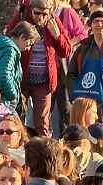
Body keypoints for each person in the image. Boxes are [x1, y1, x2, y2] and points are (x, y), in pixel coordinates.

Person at [9, 0, 69, 136]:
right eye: (37, 13)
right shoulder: (21, 17)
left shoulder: (53, 21)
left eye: (45, 14)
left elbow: (65, 51)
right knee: (16, 119)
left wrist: (57, 36)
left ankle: (42, 147)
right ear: (31, 9)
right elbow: (8, 39)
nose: (41, 17)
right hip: (21, 80)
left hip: (44, 81)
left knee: (42, 123)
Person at [0, 21, 38, 109]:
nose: (28, 48)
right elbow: (3, 75)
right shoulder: (10, 50)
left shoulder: (0, 47)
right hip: (0, 99)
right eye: (29, 44)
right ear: (22, 37)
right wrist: (13, 96)